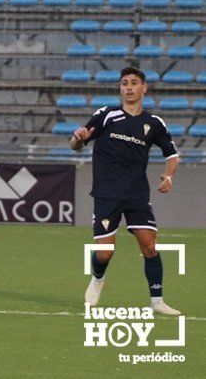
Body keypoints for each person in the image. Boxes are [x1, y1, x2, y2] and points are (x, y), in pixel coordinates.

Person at [71, 66, 180, 316]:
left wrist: (169, 175)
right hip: (107, 193)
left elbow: (172, 155)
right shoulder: (106, 115)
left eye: (133, 83)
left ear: (144, 88)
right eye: (124, 83)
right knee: (104, 253)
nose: (128, 87)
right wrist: (78, 137)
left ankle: (157, 301)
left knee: (149, 246)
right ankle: (98, 279)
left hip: (136, 194)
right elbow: (77, 143)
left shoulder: (154, 123)